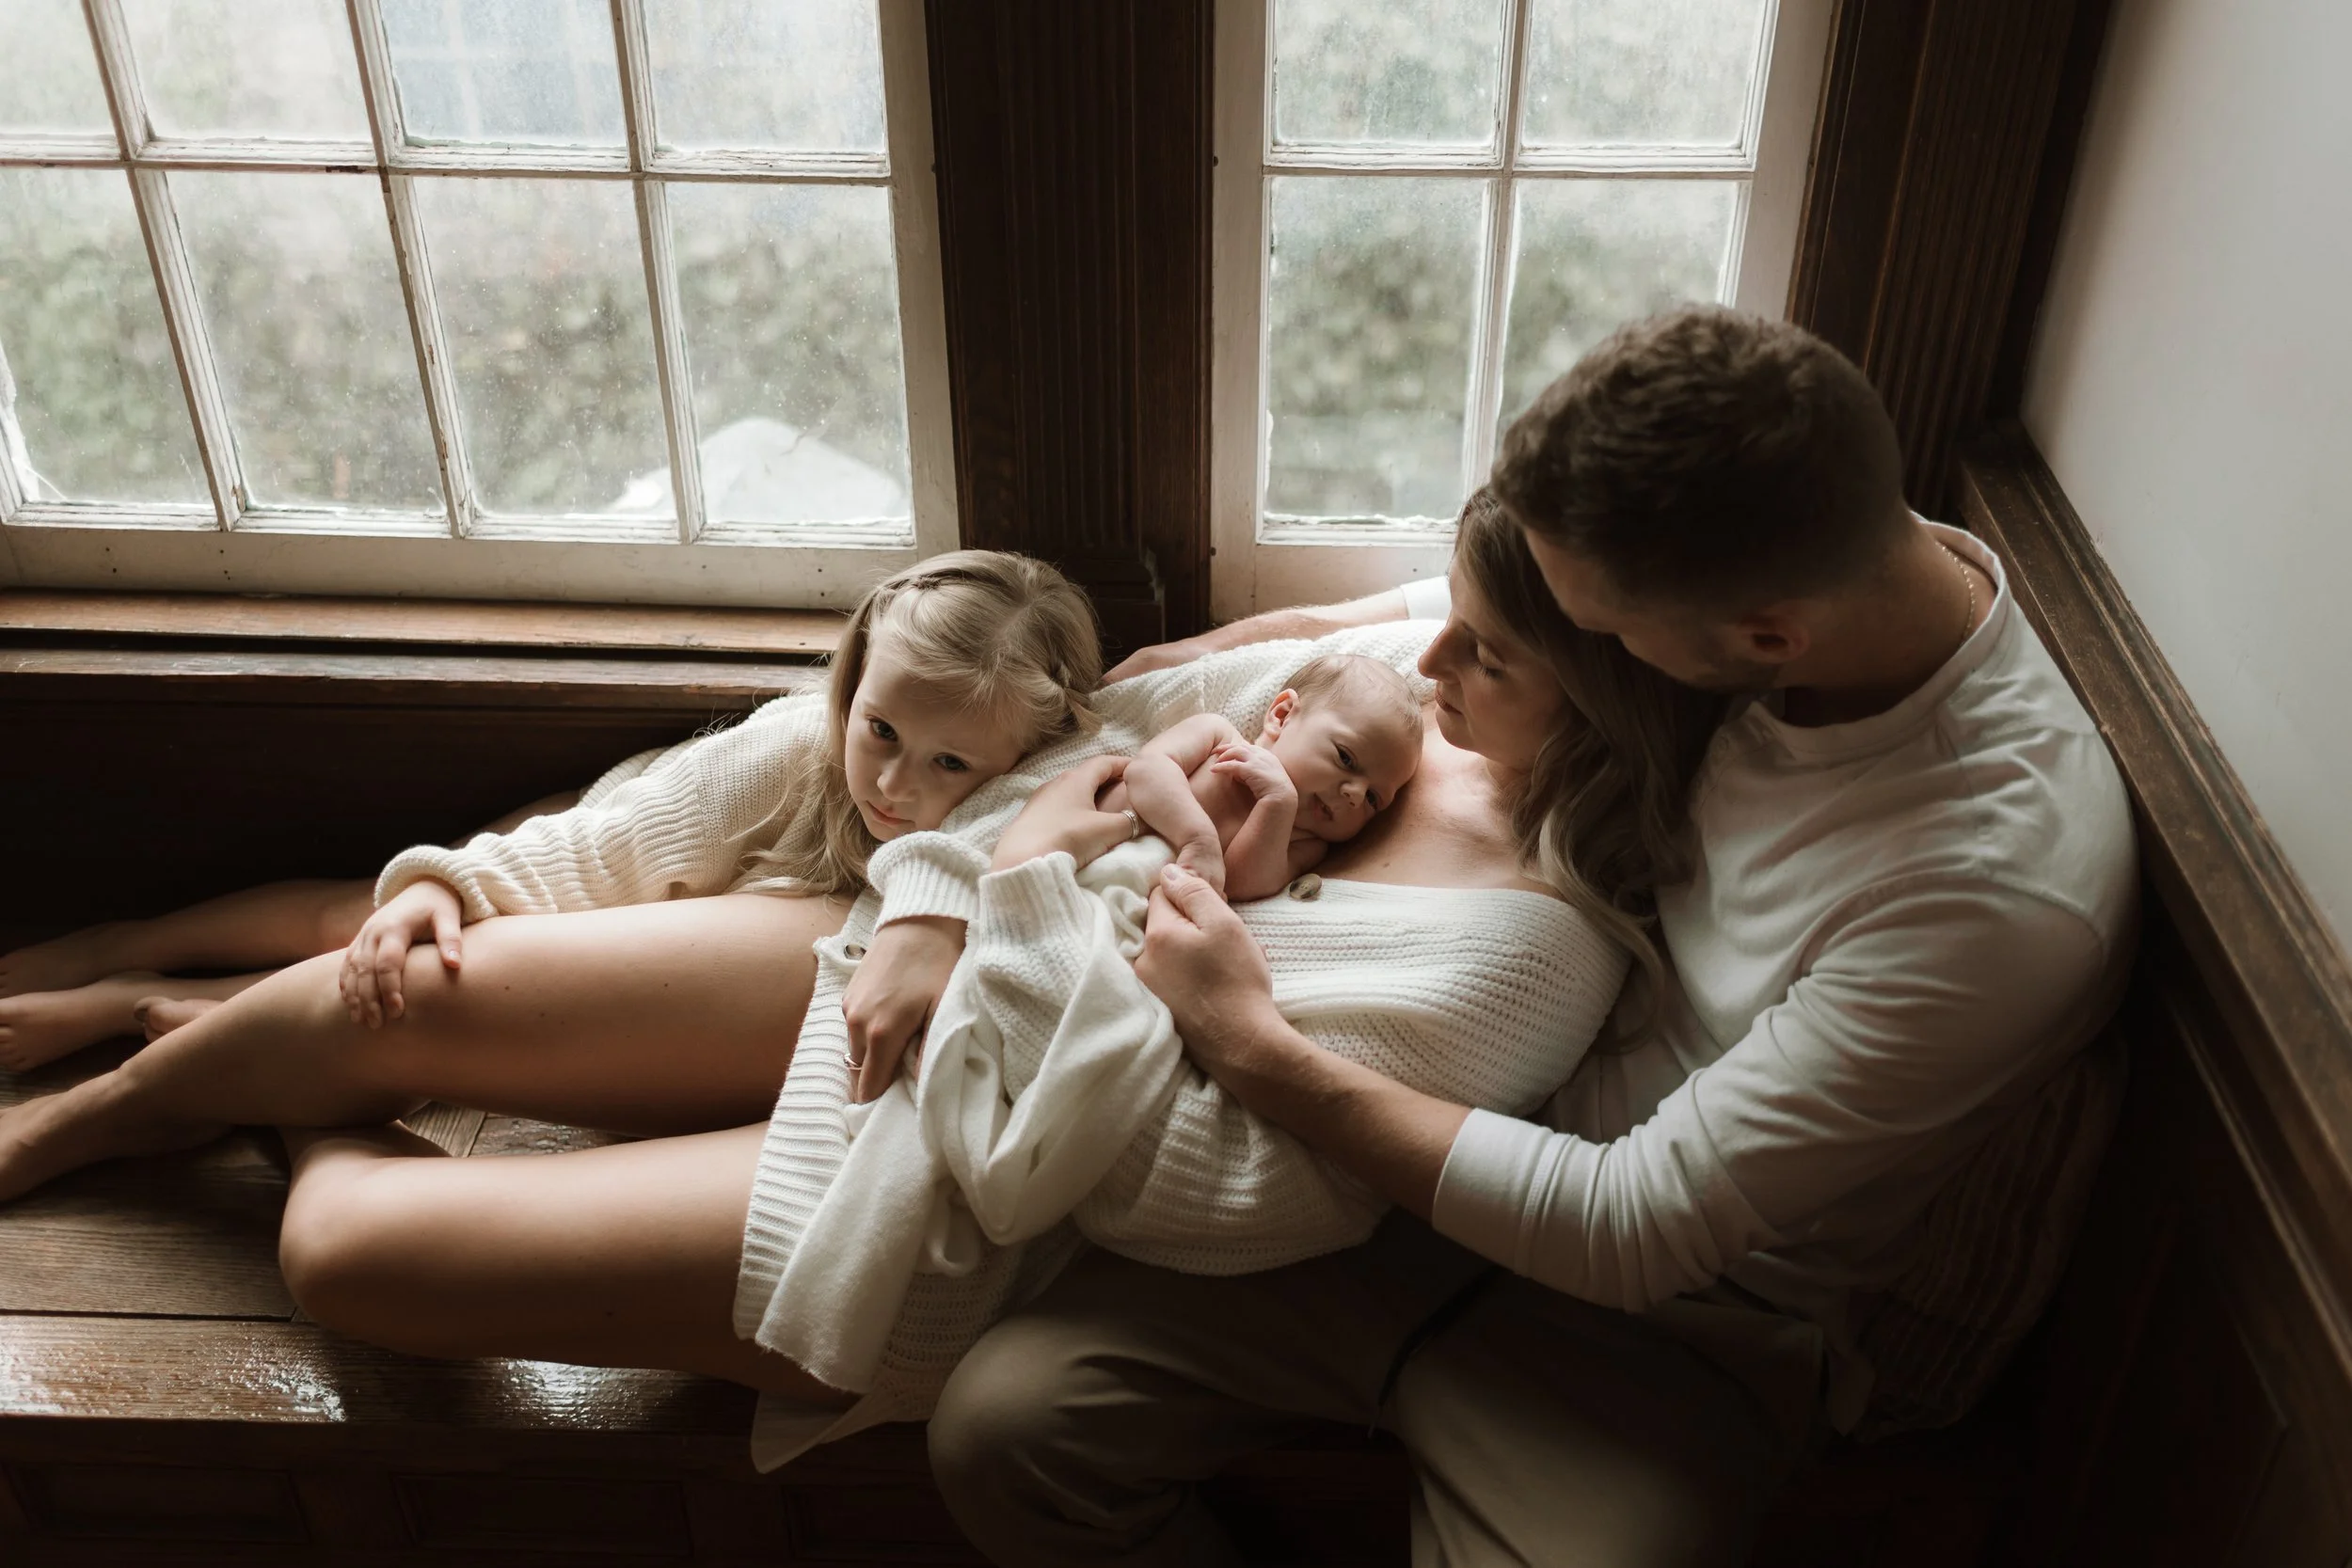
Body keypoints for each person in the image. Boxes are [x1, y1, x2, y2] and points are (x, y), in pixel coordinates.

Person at [925, 307, 2140, 1568]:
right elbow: (1521, 586)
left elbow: (1637, 1221)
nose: (1446, 664)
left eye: (1591, 635)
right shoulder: (1814, 547)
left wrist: (1251, 1039)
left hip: (1689, 1316)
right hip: (1429, 1190)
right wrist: (1261, 637)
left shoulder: (1992, 891)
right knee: (1004, 1428)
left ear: (1764, 640)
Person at [0, 776, 662, 1072]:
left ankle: (134, 1001)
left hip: (674, 932)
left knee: (435, 986)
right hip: (646, 817)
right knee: (367, 913)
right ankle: (123, 942)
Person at [1109, 653, 1422, 898]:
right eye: (1346, 758)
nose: (1355, 795)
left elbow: (1240, 884)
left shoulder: (1306, 842)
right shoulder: (1218, 738)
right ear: (1282, 716)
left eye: (1372, 798)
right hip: (1089, 838)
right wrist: (1197, 838)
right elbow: (1146, 770)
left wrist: (1278, 803)